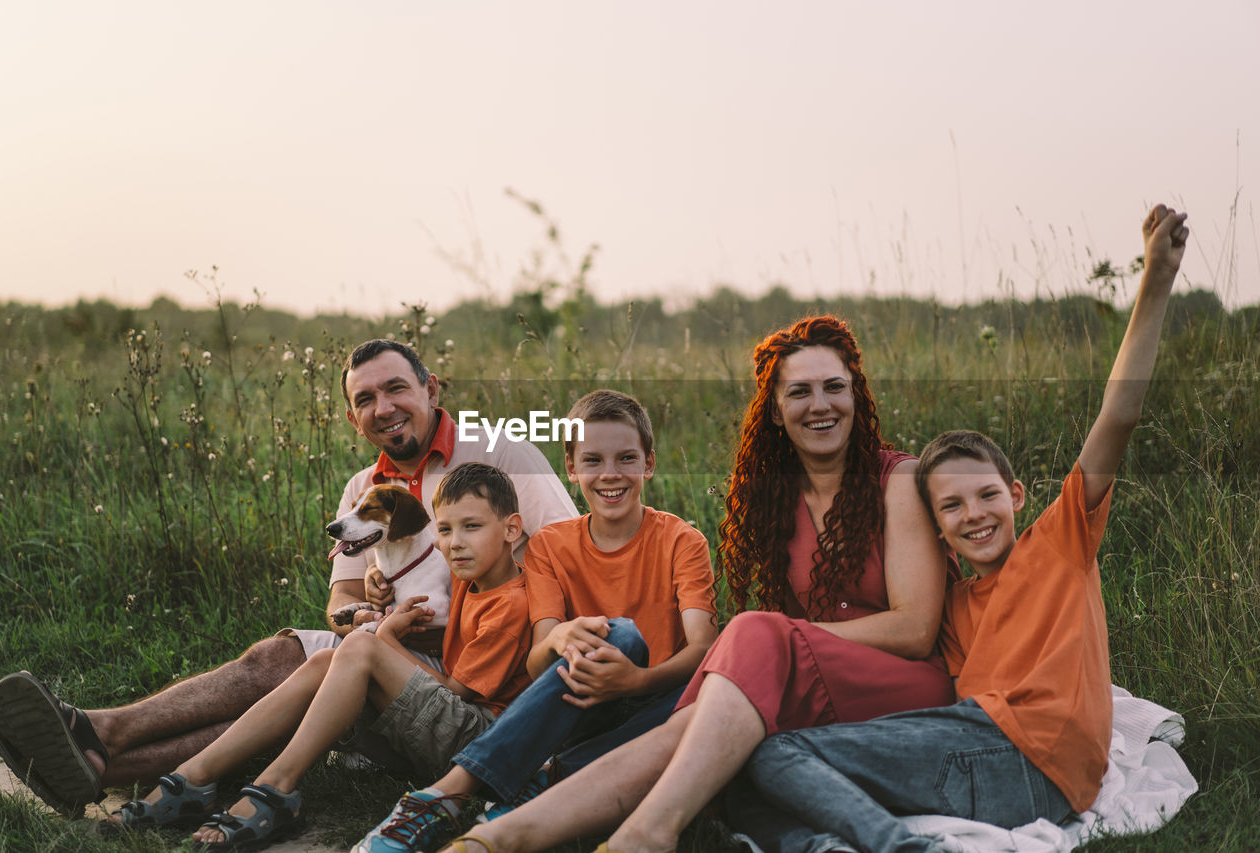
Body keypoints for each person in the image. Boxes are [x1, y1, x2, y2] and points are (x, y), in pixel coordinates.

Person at [735, 204, 1190, 853]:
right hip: (975, 761)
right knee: (746, 774)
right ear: (936, 529)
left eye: (985, 496)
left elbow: (1119, 414)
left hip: (1028, 754)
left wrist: (1156, 279)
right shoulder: (952, 607)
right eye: (950, 507)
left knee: (775, 756)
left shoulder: (1061, 543)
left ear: (1017, 494)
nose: (972, 513)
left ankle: (896, 845)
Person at [423, 314, 957, 853]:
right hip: (816, 681)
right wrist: (780, 642)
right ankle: (503, 837)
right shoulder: (775, 502)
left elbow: (915, 630)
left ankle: (622, 828)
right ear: (775, 408)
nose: (820, 404)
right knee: (708, 715)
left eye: (834, 387)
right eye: (800, 391)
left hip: (906, 680)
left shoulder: (898, 480)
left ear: (856, 394)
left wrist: (784, 639)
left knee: (746, 640)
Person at [0, 339, 577, 816]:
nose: (385, 407)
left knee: (300, 673)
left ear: (431, 389)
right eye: (366, 399)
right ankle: (100, 758)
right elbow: (340, 599)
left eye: (397, 388)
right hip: (388, 643)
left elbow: (562, 557)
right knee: (276, 659)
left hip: (475, 661)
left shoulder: (499, 452)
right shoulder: (362, 492)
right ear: (352, 417)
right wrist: (364, 614)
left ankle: (97, 738)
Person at [352, 389, 719, 853]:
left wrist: (635, 681)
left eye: (626, 458)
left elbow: (703, 648)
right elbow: (538, 657)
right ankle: (446, 796)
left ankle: (532, 781)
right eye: (592, 460)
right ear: (570, 467)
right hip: (582, 699)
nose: (610, 474)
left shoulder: (682, 540)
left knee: (669, 668)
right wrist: (562, 634)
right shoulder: (550, 545)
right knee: (611, 633)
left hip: (653, 702)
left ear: (648, 463)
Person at [98, 463, 533, 849]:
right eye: (445, 530)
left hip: (479, 741)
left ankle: (276, 783)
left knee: (363, 644)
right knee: (328, 660)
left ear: (512, 530)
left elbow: (458, 692)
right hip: (445, 725)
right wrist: (380, 596)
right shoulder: (468, 580)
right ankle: (194, 776)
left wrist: (386, 639)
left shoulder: (509, 603)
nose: (454, 544)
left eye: (471, 528)